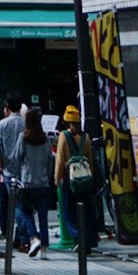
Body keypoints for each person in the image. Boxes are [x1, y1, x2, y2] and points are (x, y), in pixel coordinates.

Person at [55, 107, 99, 250]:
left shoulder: (63, 136)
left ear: (67, 122)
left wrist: (56, 179)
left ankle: (79, 237)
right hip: (85, 180)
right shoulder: (85, 137)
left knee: (68, 214)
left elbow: (60, 160)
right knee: (86, 212)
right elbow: (90, 160)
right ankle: (89, 240)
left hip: (71, 180)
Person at [17, 107, 54, 259]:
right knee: (43, 217)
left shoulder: (23, 137)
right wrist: (48, 176)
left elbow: (18, 157)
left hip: (28, 183)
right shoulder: (45, 139)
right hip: (43, 183)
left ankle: (34, 238)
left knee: (26, 212)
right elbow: (50, 160)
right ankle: (44, 250)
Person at [0, 93, 26, 241]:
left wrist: (1, 166)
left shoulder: (2, 124)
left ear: (7, 107)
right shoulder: (26, 124)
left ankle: (22, 237)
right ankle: (18, 235)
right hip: (24, 169)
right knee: (21, 204)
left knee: (15, 204)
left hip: (8, 170)